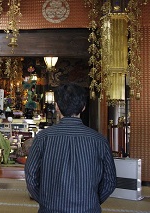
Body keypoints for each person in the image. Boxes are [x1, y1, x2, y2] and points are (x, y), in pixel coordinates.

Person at [25, 83, 117, 213]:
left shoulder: (43, 137)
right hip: (88, 209)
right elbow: (110, 181)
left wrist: (46, 201)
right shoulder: (99, 140)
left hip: (50, 208)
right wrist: (92, 201)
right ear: (83, 107)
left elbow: (31, 176)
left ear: (56, 106)